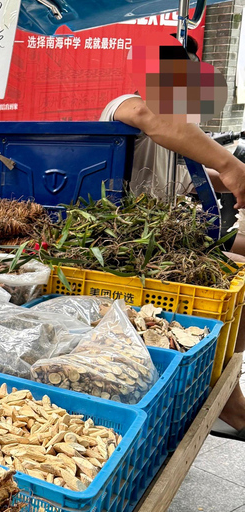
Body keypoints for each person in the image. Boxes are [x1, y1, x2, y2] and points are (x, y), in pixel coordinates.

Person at [100, 35, 245, 440]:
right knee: (236, 288)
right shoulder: (124, 108)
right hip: (131, 249)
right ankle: (226, 400)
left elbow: (194, 179)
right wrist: (230, 164)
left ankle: (222, 387)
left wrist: (231, 177)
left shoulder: (172, 137)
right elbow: (145, 114)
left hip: (170, 240)